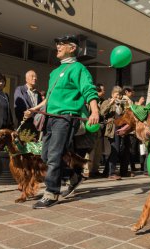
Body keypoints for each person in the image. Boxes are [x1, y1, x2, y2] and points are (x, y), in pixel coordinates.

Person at [25, 35, 99, 208]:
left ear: (72, 48)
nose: (57, 46)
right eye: (56, 44)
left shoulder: (79, 68)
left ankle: (51, 192)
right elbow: (49, 97)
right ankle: (75, 175)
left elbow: (88, 90)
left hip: (66, 117)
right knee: (46, 154)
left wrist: (94, 110)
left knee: (54, 154)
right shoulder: (54, 72)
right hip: (50, 118)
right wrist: (36, 108)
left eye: (61, 44)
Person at [100, 86, 125, 180]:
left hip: (119, 127)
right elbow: (102, 113)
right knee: (114, 149)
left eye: (120, 94)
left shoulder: (121, 104)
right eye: (117, 94)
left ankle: (107, 171)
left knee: (115, 150)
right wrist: (110, 103)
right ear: (112, 94)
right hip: (111, 128)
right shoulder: (106, 102)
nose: (119, 96)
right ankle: (111, 173)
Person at [14, 70, 42, 135]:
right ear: (26, 79)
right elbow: (20, 106)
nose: (35, 78)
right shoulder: (20, 89)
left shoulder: (38, 94)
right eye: (32, 76)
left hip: (36, 125)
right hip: (25, 124)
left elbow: (40, 108)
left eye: (35, 77)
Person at [88, 83, 106, 178]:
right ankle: (89, 170)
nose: (104, 92)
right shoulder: (90, 101)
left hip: (100, 128)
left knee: (98, 151)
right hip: (91, 128)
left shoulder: (103, 101)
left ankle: (95, 169)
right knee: (92, 150)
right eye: (103, 90)